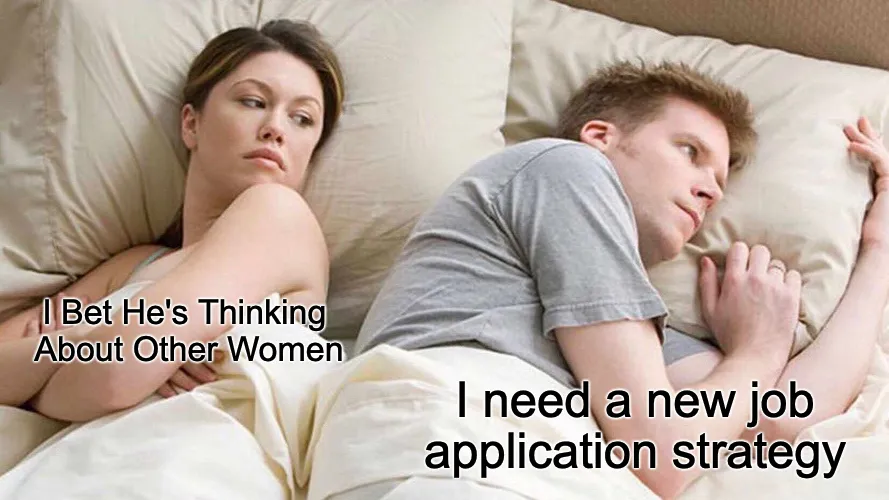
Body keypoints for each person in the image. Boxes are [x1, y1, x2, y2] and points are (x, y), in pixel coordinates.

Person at [353, 61, 889, 498]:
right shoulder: (564, 167)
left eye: (719, 181)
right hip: (445, 444)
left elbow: (786, 420)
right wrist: (756, 352)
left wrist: (879, 249)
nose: (710, 190)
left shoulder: (625, 337)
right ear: (600, 136)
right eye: (690, 151)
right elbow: (660, 452)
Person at [0, 20, 345, 421]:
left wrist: (44, 371)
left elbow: (113, 374)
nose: (275, 129)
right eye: (253, 102)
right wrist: (84, 342)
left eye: (302, 118)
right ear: (191, 124)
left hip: (192, 447)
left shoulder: (280, 215)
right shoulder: (133, 265)